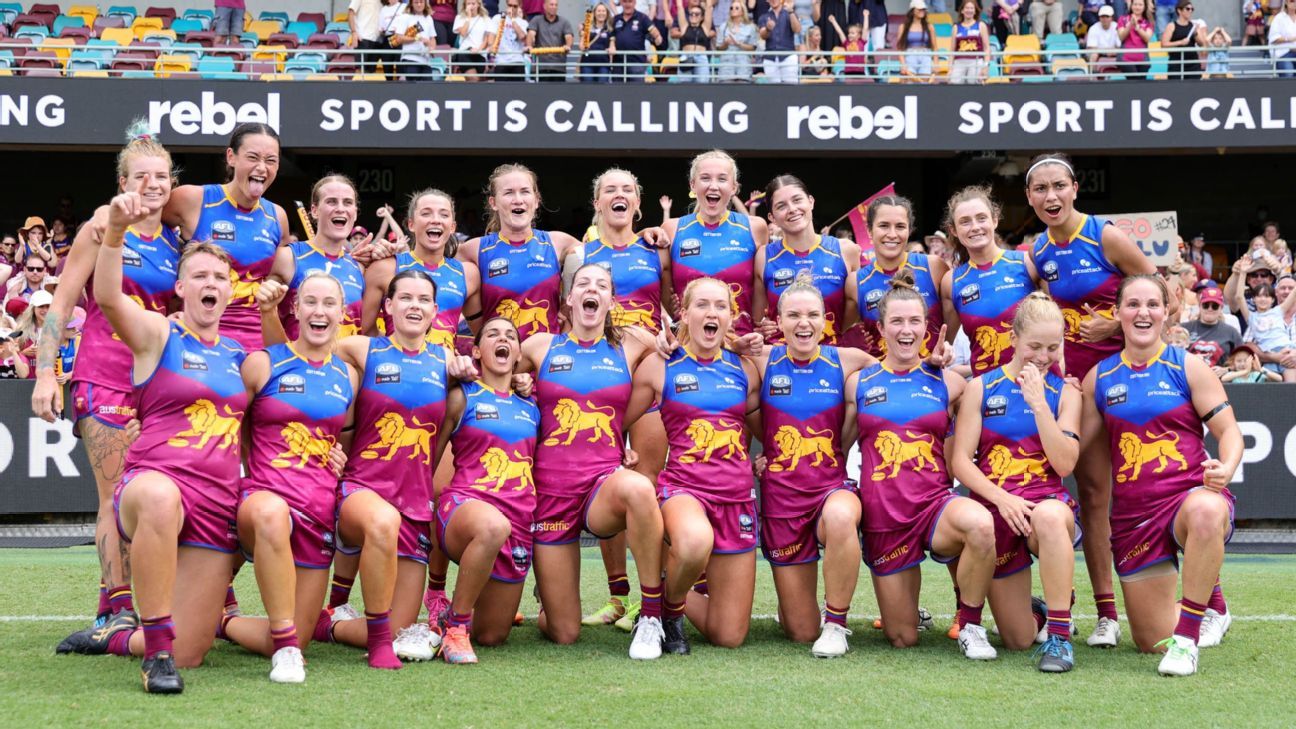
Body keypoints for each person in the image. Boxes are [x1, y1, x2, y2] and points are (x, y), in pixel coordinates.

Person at [58, 217, 247, 694]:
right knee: (161, 499)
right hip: (152, 484)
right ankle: (157, 656)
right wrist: (117, 235)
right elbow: (107, 298)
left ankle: (117, 639)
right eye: (200, 276)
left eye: (219, 278)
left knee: (195, 652)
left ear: (231, 290)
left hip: (215, 503)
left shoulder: (242, 355)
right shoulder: (158, 334)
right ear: (180, 286)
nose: (211, 284)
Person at [264, 269, 453, 666]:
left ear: (436, 311)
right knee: (381, 525)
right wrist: (328, 446)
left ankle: (325, 625)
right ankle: (374, 644)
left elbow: (497, 377)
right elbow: (295, 367)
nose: (414, 306)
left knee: (399, 628)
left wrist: (519, 380)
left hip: (415, 508)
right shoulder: (359, 351)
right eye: (405, 298)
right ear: (388, 306)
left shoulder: (448, 363)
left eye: (423, 300)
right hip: (360, 494)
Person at [38, 128, 181, 647]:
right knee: (113, 495)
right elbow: (60, 306)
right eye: (140, 176)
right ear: (122, 183)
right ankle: (119, 611)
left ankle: (118, 605)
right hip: (103, 376)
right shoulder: (99, 231)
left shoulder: (177, 241)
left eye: (161, 177)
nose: (152, 185)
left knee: (152, 497)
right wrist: (46, 373)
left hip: (159, 387)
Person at [1025, 151, 1156, 649]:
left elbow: (1158, 288)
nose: (1051, 196)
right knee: (1094, 495)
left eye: (1059, 186)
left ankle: (1211, 601)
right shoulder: (1039, 252)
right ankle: (1106, 614)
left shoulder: (1106, 236)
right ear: (1030, 198)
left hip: (1127, 383)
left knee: (1155, 490)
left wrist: (1118, 322)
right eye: (1041, 189)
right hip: (1077, 390)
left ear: (1076, 188)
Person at [1083, 274, 1242, 675]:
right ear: (1117, 313)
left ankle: (1187, 640)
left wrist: (1226, 466)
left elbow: (1230, 433)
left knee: (1207, 511)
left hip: (1188, 498)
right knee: (1151, 640)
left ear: (1167, 311)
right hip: (1134, 518)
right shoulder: (1098, 378)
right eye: (1133, 304)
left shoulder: (1187, 366)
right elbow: (1072, 449)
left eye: (1152, 304)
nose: (1143, 312)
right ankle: (1213, 601)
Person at [515, 262, 667, 658]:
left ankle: (651, 616)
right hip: (549, 495)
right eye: (583, 283)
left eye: (602, 285)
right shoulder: (539, 346)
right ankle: (548, 594)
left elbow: (676, 350)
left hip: (602, 485)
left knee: (638, 487)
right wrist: (520, 385)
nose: (592, 289)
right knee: (564, 631)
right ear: (568, 299)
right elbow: (494, 379)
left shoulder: (630, 344)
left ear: (611, 301)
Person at [844, 273, 998, 660]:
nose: (906, 329)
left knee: (980, 524)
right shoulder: (858, 383)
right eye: (896, 321)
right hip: (884, 517)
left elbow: (995, 405)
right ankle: (910, 613)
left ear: (928, 328)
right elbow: (834, 444)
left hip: (935, 507)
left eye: (914, 321)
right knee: (902, 638)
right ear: (880, 328)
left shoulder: (951, 383)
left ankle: (971, 624)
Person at [222, 273, 357, 684]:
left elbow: (344, 438)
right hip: (262, 504)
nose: (319, 311)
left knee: (300, 636)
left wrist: (340, 458)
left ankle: (219, 622)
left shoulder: (348, 376)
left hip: (317, 514)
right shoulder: (264, 362)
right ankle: (284, 649)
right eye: (310, 302)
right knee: (272, 513)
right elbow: (230, 427)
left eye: (329, 304)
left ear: (343, 313)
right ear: (294, 309)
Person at [627, 277, 762, 653]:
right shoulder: (660, 364)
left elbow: (768, 427)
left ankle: (671, 599)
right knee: (693, 542)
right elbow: (614, 420)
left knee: (729, 636)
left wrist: (772, 455)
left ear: (731, 317)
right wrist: (617, 453)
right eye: (702, 305)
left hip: (736, 501)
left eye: (721, 306)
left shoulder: (746, 368)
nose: (711, 312)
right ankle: (663, 612)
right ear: (684, 314)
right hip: (685, 490)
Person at [951, 292, 1082, 672]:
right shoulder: (981, 387)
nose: (1043, 356)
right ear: (1013, 339)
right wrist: (1001, 498)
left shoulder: (1066, 392)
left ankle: (1059, 638)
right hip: (997, 509)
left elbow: (1065, 463)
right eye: (1034, 346)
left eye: (1053, 348)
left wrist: (1039, 403)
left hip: (1045, 503)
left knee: (1050, 517)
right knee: (1018, 638)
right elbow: (961, 461)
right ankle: (1043, 610)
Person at [753, 278, 881, 657]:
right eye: (793, 315)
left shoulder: (849, 360)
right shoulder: (762, 360)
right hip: (781, 500)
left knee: (843, 517)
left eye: (811, 315)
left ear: (825, 321)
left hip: (830, 489)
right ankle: (796, 608)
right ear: (778, 320)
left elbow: (895, 379)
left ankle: (837, 624)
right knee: (800, 631)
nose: (803, 323)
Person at [432, 317, 539, 664]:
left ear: (518, 353)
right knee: (492, 526)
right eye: (492, 334)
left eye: (510, 336)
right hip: (466, 506)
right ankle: (456, 629)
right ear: (477, 351)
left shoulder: (532, 405)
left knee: (493, 635)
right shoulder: (461, 397)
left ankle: (448, 618)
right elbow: (429, 456)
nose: (502, 339)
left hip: (518, 520)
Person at [162, 123, 291, 353]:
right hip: (199, 338)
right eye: (253, 157)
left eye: (271, 160)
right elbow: (146, 231)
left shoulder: (277, 216)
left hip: (256, 346)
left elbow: (279, 279)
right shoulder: (192, 199)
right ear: (231, 157)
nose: (262, 168)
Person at [457, 164, 578, 340]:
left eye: (525, 192)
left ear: (536, 201)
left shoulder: (559, 242)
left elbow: (603, 263)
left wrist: (569, 301)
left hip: (547, 360)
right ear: (494, 203)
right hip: (500, 361)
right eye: (508, 193)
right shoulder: (473, 250)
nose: (518, 199)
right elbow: (433, 273)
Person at [663, 150, 768, 339]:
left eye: (722, 179)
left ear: (734, 187)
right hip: (687, 345)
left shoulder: (756, 227)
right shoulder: (672, 229)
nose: (713, 186)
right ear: (693, 185)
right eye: (705, 178)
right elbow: (664, 290)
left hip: (741, 345)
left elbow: (764, 287)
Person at [939, 186, 1038, 376]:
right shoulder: (951, 282)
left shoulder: (1026, 263)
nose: (975, 227)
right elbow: (945, 344)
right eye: (965, 222)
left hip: (1033, 384)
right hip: (987, 392)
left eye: (981, 218)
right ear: (953, 230)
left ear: (994, 220)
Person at [365, 189, 481, 350]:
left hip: (445, 373)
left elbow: (482, 336)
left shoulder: (468, 274)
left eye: (444, 215)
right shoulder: (384, 268)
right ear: (411, 224)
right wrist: (392, 349)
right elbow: (364, 331)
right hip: (396, 371)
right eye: (426, 214)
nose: (436, 220)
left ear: (452, 226)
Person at [754, 175, 861, 346]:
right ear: (772, 217)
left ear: (811, 201)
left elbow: (856, 314)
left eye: (797, 200)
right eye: (781, 206)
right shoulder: (763, 256)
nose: (792, 209)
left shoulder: (846, 250)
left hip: (831, 361)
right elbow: (757, 320)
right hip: (780, 362)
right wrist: (762, 327)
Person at [845, 194, 947, 359]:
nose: (892, 234)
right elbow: (838, 333)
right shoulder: (855, 282)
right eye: (884, 225)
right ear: (870, 231)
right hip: (879, 382)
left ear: (909, 230)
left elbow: (956, 321)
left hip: (932, 379)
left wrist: (945, 350)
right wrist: (855, 346)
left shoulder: (934, 267)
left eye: (900, 226)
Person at [267, 176, 366, 341]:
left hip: (344, 366)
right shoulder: (287, 257)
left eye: (348, 203)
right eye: (332, 202)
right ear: (314, 210)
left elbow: (365, 331)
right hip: (298, 364)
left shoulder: (360, 267)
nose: (340, 209)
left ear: (355, 213)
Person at [1234, 262, 1296, 381]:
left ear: (1273, 299)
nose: (1263, 299)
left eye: (1267, 296)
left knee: (1292, 387)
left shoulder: (1279, 310)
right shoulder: (1250, 316)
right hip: (1268, 356)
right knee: (1268, 389)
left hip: (1286, 352)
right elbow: (1239, 297)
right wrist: (1243, 272)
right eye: (1259, 296)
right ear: (1254, 299)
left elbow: (1293, 293)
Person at [1184, 287, 1241, 374]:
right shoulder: (1185, 328)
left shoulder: (1231, 332)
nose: (1210, 309)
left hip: (1220, 382)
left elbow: (1245, 361)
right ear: (1199, 306)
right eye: (1206, 305)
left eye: (1215, 306)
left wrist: (1226, 370)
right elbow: (1172, 356)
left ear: (1221, 308)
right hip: (1188, 378)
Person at [611, 0, 664, 81]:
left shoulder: (642, 17)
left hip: (636, 63)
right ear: (621, 3)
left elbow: (654, 32)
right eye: (625, 2)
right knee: (617, 92)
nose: (627, 4)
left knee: (636, 92)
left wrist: (658, 37)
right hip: (618, 64)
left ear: (635, 2)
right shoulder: (616, 19)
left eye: (630, 1)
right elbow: (611, 36)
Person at [392, 0, 440, 80]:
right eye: (416, 2)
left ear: (425, 3)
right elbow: (398, 38)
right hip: (410, 58)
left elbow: (433, 38)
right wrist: (416, 38)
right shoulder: (405, 17)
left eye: (421, 2)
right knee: (413, 89)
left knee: (427, 89)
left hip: (426, 61)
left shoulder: (429, 18)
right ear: (411, 4)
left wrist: (431, 47)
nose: (419, 4)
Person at [528, 0, 575, 81]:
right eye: (551, 5)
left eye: (556, 5)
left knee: (558, 93)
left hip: (558, 67)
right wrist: (529, 45)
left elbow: (569, 37)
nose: (554, 7)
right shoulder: (536, 20)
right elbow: (531, 34)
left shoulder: (564, 22)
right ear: (544, 6)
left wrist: (568, 45)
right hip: (541, 67)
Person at [1159, 0, 1205, 79]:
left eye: (1192, 9)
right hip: (1176, 63)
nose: (1190, 11)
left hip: (1192, 63)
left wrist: (1195, 33)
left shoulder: (1193, 25)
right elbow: (1163, 44)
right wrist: (1180, 42)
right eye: (1187, 9)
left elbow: (1201, 44)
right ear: (1179, 11)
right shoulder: (1172, 26)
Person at [759, 0, 802, 83]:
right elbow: (762, 35)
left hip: (788, 56)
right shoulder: (764, 17)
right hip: (770, 58)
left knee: (791, 89)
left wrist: (791, 12)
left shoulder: (789, 13)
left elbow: (797, 30)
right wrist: (768, 29)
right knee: (773, 91)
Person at [672, 0, 715, 82]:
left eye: (697, 14)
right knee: (684, 85)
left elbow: (709, 7)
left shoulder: (705, 28)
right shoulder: (684, 27)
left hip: (701, 57)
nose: (693, 16)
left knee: (702, 85)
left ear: (702, 17)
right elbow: (680, 6)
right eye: (691, 14)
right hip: (686, 57)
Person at [715, 2, 758, 81]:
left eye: (736, 8)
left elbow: (753, 48)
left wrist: (739, 44)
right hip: (726, 69)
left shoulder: (750, 27)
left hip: (743, 68)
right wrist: (725, 44)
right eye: (731, 8)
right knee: (725, 91)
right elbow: (718, 50)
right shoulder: (723, 27)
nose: (733, 10)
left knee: (743, 91)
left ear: (742, 11)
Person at [455, 0, 497, 79]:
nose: (471, 6)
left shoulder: (486, 19)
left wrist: (479, 49)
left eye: (473, 4)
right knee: (473, 79)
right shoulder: (460, 18)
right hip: (465, 52)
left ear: (478, 4)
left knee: (480, 82)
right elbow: (463, 33)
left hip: (480, 54)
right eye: (468, 4)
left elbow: (487, 39)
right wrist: (468, 17)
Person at [950, 0, 990, 83]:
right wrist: (950, 68)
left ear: (975, 11)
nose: (969, 10)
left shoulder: (981, 25)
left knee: (973, 82)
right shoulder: (956, 27)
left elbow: (987, 48)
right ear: (962, 11)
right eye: (967, 8)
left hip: (976, 60)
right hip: (959, 61)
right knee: (954, 82)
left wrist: (985, 66)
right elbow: (952, 50)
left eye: (972, 8)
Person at [491, 0, 532, 79]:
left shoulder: (523, 22)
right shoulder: (497, 18)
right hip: (501, 61)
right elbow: (491, 38)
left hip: (517, 61)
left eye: (515, 6)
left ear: (519, 6)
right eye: (510, 5)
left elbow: (522, 37)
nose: (512, 8)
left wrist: (513, 20)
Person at [349, 0, 390, 73]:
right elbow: (351, 12)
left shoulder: (383, 1)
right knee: (360, 70)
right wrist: (354, 32)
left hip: (377, 40)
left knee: (371, 71)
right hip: (363, 38)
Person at [896, 0, 933, 80]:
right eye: (919, 9)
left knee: (925, 84)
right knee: (909, 83)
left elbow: (935, 47)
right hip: (910, 55)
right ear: (913, 11)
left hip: (925, 55)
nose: (922, 11)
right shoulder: (903, 27)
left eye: (923, 9)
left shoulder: (929, 27)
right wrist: (903, 64)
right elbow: (900, 48)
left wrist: (936, 63)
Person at [1117, 0, 1155, 77]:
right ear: (1131, 6)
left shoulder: (1148, 22)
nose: (1137, 7)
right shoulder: (1122, 19)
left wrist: (1138, 28)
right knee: (1134, 81)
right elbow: (1121, 37)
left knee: (1141, 84)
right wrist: (1130, 24)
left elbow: (1147, 39)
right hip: (1126, 59)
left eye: (1140, 5)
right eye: (1135, 4)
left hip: (1143, 60)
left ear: (1144, 7)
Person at [581, 2, 617, 81]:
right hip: (587, 64)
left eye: (603, 11)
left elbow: (612, 46)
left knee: (602, 91)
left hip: (603, 64)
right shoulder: (587, 28)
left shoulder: (610, 30)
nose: (601, 13)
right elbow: (582, 46)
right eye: (599, 11)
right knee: (588, 90)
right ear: (594, 13)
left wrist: (611, 49)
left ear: (607, 13)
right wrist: (583, 34)